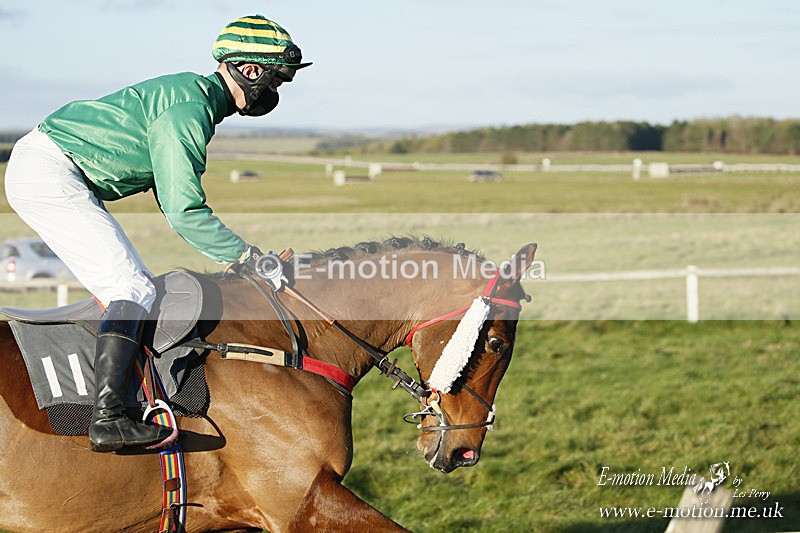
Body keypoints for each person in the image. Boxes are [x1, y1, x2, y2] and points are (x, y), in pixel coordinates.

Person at [3, 15, 310, 452]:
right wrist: (247, 258)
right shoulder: (190, 108)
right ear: (251, 70)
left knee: (131, 286)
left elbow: (172, 200)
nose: (277, 92)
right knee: (130, 285)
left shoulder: (195, 98)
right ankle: (107, 419)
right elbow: (184, 211)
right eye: (278, 80)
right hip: (51, 171)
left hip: (52, 167)